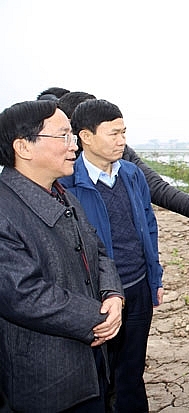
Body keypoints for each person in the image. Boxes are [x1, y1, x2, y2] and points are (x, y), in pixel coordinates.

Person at [0, 100, 124, 412]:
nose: (74, 147)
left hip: (90, 363)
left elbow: (96, 251)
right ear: (24, 147)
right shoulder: (5, 209)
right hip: (47, 376)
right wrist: (97, 318)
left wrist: (112, 295)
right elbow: (22, 294)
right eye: (64, 136)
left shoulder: (62, 195)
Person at [60, 99, 163, 412]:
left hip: (138, 286)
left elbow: (148, 224)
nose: (122, 141)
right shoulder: (66, 183)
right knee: (98, 375)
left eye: (124, 133)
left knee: (132, 371)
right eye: (113, 134)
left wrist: (154, 275)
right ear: (86, 137)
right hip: (98, 295)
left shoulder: (131, 174)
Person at [55, 89, 189, 219]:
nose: (120, 140)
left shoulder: (121, 156)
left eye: (122, 133)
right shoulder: (59, 166)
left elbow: (154, 186)